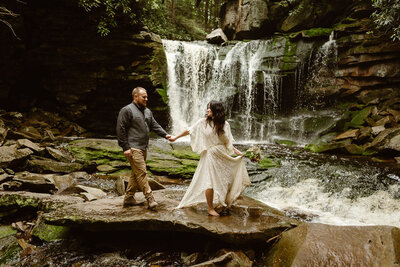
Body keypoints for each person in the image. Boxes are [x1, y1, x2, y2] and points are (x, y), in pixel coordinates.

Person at [169, 100, 250, 216]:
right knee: (209, 182)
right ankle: (210, 208)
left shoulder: (225, 125)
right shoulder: (203, 122)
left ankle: (223, 201)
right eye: (207, 108)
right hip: (209, 155)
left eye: (210, 108)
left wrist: (237, 152)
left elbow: (228, 143)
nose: (207, 110)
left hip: (222, 155)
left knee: (225, 180)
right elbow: (189, 130)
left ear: (216, 111)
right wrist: (175, 138)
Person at [116, 87, 171, 210]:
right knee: (142, 172)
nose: (146, 99)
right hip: (133, 147)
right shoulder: (127, 110)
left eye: (146, 97)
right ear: (135, 96)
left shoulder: (147, 111)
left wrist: (166, 135)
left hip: (143, 147)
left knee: (136, 174)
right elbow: (121, 129)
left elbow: (154, 125)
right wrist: (125, 147)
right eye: (143, 97)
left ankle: (129, 198)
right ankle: (150, 198)